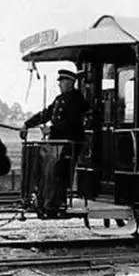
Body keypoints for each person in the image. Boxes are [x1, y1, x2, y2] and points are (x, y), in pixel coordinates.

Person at [20, 69, 88, 216]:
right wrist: (27, 124)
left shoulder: (77, 100)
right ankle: (45, 199)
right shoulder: (59, 99)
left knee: (58, 172)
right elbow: (45, 114)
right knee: (46, 171)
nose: (59, 85)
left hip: (70, 143)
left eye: (62, 82)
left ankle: (56, 202)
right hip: (57, 144)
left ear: (70, 82)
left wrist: (51, 130)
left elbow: (73, 122)